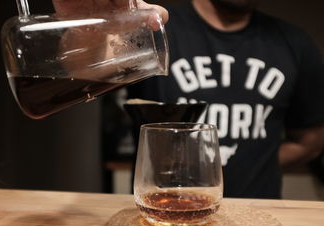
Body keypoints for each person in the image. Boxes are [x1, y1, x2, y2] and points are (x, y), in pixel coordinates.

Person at [127, 0, 324, 199]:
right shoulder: (153, 31)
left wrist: (256, 165)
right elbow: (96, 79)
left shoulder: (295, 43)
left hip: (258, 216)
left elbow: (310, 142)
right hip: (166, 211)